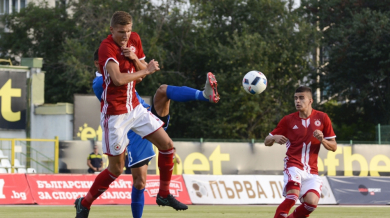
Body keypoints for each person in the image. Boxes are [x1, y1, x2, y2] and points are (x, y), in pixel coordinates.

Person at [75, 11, 219, 218]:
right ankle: (85, 203)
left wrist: (135, 59)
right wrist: (144, 70)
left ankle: (163, 194)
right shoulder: (105, 54)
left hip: (136, 109)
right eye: (121, 32)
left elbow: (141, 73)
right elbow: (118, 79)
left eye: (128, 31)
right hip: (116, 117)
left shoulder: (133, 39)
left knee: (168, 144)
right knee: (118, 170)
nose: (126, 36)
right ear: (111, 31)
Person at [264, 86, 337, 218]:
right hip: (293, 165)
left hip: (312, 171)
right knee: (292, 196)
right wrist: (274, 138)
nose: (297, 101)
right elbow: (266, 140)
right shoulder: (288, 120)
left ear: (310, 100)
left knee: (312, 203)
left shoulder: (322, 118)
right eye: (296, 98)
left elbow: (334, 147)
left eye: (301, 98)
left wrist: (322, 140)